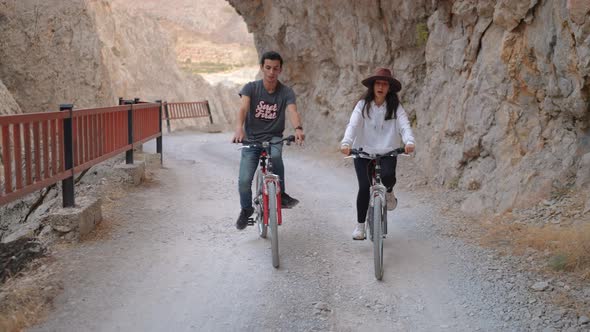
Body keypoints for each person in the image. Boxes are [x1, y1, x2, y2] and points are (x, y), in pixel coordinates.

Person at [232, 51, 305, 230]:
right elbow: (243, 109)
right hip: (251, 139)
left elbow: (293, 111)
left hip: (273, 138)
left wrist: (298, 129)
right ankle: (246, 209)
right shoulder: (251, 88)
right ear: (262, 68)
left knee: (276, 156)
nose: (271, 72)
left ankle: (282, 193)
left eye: (276, 68)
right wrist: (239, 128)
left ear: (280, 70)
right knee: (243, 181)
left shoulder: (286, 92)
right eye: (268, 68)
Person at [340, 67, 415, 240]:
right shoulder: (363, 105)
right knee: (364, 187)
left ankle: (388, 191)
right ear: (373, 86)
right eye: (378, 83)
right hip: (363, 152)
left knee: (388, 176)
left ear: (389, 88)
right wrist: (346, 143)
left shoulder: (395, 107)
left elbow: (404, 125)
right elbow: (353, 124)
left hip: (387, 151)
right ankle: (360, 227)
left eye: (385, 84)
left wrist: (409, 141)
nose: (381, 87)